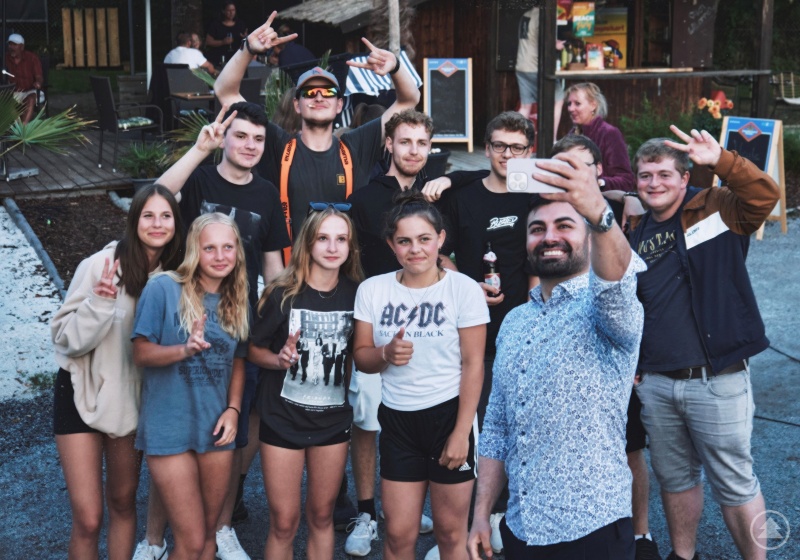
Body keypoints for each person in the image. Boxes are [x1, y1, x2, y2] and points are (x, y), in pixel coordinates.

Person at [468, 149, 646, 560]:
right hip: (521, 528)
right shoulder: (513, 321)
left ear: (588, 235)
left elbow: (616, 281)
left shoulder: (605, 310)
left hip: (593, 528)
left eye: (565, 225)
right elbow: (496, 428)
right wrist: (480, 514)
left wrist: (600, 213)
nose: (549, 236)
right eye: (537, 228)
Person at [134, 104, 289, 560]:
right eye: (240, 136)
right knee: (176, 434)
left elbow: (274, 266)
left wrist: (274, 321)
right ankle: (154, 537)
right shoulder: (201, 179)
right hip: (187, 306)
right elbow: (155, 199)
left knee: (225, 426)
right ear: (224, 138)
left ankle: (220, 527)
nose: (249, 146)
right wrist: (198, 150)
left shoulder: (265, 194)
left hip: (235, 312)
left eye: (258, 139)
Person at [628, 126, 779, 560]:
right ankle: (683, 554)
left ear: (683, 177)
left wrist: (722, 162)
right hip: (656, 382)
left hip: (716, 377)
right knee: (674, 479)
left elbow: (764, 198)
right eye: (645, 176)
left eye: (663, 175)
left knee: (734, 480)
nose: (654, 183)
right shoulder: (634, 229)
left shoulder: (715, 208)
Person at [353, 191, 489, 560]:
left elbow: (474, 364)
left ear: (441, 239)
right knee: (398, 535)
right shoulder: (373, 289)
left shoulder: (463, 289)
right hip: (398, 421)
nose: (416, 249)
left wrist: (462, 432)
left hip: (450, 417)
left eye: (425, 239)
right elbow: (363, 358)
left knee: (449, 533)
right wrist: (385, 353)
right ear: (391, 245)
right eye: (405, 241)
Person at [52, 185, 182, 560]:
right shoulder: (101, 265)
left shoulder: (175, 279)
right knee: (89, 518)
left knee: (123, 503)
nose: (157, 224)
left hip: (131, 400)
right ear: (133, 219)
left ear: (176, 222)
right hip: (81, 388)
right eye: (148, 215)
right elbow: (65, 339)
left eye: (166, 215)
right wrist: (99, 303)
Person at [214, 11, 421, 242]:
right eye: (310, 92)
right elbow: (225, 92)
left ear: (339, 104)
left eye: (329, 92)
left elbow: (409, 100)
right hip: (290, 270)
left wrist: (395, 68)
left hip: (344, 271)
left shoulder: (356, 146)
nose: (319, 97)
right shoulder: (278, 144)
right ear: (297, 105)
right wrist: (248, 49)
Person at [551, 134, 660, 560]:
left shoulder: (616, 216)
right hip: (558, 345)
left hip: (610, 349)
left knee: (628, 447)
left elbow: (639, 291)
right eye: (564, 167)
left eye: (579, 166)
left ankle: (638, 534)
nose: (571, 175)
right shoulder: (545, 211)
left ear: (597, 171)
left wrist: (639, 355)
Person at [435, 111, 538, 556]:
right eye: (499, 145)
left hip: (522, 329)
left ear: (529, 151)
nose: (507, 155)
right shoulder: (463, 196)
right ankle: (461, 529)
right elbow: (438, 251)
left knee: (520, 427)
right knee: (470, 425)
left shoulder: (536, 195)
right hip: (470, 329)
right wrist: (464, 284)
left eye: (517, 148)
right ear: (486, 147)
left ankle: (503, 519)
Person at [344, 109, 440, 557]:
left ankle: (407, 505)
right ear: (389, 144)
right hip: (377, 319)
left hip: (432, 326)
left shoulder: (437, 193)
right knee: (366, 421)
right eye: (405, 142)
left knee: (420, 413)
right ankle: (366, 512)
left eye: (422, 143)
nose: (413, 151)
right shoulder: (364, 198)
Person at [248, 203, 363, 560]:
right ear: (307, 244)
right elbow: (252, 350)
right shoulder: (283, 293)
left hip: (332, 421)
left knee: (322, 516)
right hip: (282, 419)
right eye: (323, 238)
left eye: (341, 239)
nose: (332, 247)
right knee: (284, 521)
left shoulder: (360, 295)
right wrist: (278, 358)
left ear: (350, 246)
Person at [132, 212, 248, 560]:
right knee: (191, 538)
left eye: (228, 247)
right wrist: (184, 349)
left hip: (215, 428)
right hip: (169, 426)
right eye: (209, 248)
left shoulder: (237, 298)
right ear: (194, 251)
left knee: (208, 541)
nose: (220, 255)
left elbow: (239, 360)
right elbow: (140, 352)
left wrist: (234, 409)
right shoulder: (164, 288)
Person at [565, 82, 635, 192]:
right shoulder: (572, 134)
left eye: (577, 104)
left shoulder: (609, 134)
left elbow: (626, 180)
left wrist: (599, 183)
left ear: (593, 105)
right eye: (569, 104)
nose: (571, 109)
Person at [515, 7, 565, 137]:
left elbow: (532, 39)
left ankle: (515, 140)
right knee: (558, 100)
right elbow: (546, 42)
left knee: (525, 106)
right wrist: (556, 45)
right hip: (535, 66)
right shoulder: (544, 16)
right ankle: (552, 140)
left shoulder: (525, 15)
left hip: (521, 65)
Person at [4, 33, 43, 124]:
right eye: (10, 44)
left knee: (31, 99)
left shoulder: (32, 58)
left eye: (14, 45)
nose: (11, 47)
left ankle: (22, 129)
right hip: (13, 92)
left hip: (29, 90)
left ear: (22, 47)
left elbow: (39, 76)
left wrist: (38, 82)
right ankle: (18, 128)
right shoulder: (4, 58)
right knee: (5, 100)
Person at [205, 2, 248, 67]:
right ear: (223, 11)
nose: (231, 13)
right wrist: (222, 42)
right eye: (229, 10)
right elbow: (208, 42)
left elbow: (245, 42)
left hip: (236, 58)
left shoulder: (240, 24)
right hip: (219, 58)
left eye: (233, 10)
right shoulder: (216, 25)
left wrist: (245, 38)